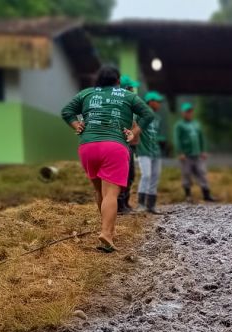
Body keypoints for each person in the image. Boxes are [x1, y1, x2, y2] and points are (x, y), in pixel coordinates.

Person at [61, 64, 156, 253]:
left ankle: (107, 228)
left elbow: (66, 112)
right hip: (114, 146)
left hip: (88, 146)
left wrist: (76, 125)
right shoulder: (127, 95)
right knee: (111, 194)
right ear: (118, 81)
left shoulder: (86, 94)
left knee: (100, 192)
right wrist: (134, 131)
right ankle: (107, 233)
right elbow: (148, 114)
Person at [174, 102, 217, 203]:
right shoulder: (179, 125)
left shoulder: (196, 124)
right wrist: (180, 152)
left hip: (197, 154)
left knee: (202, 172)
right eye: (187, 111)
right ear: (183, 113)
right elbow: (177, 139)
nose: (189, 113)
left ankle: (206, 194)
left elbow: (201, 138)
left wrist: (203, 150)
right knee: (186, 174)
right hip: (186, 155)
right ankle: (188, 195)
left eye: (190, 111)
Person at [136, 90, 165, 214]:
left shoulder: (157, 117)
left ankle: (151, 205)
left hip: (155, 151)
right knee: (146, 175)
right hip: (144, 150)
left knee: (155, 177)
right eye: (157, 101)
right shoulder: (140, 115)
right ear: (150, 102)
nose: (159, 104)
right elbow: (135, 131)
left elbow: (155, 134)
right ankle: (141, 204)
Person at [117, 74, 141, 215]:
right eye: (131, 88)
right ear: (125, 88)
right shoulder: (121, 105)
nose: (133, 90)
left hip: (131, 145)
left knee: (130, 175)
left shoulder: (130, 104)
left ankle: (125, 202)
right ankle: (120, 205)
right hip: (123, 145)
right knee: (124, 175)